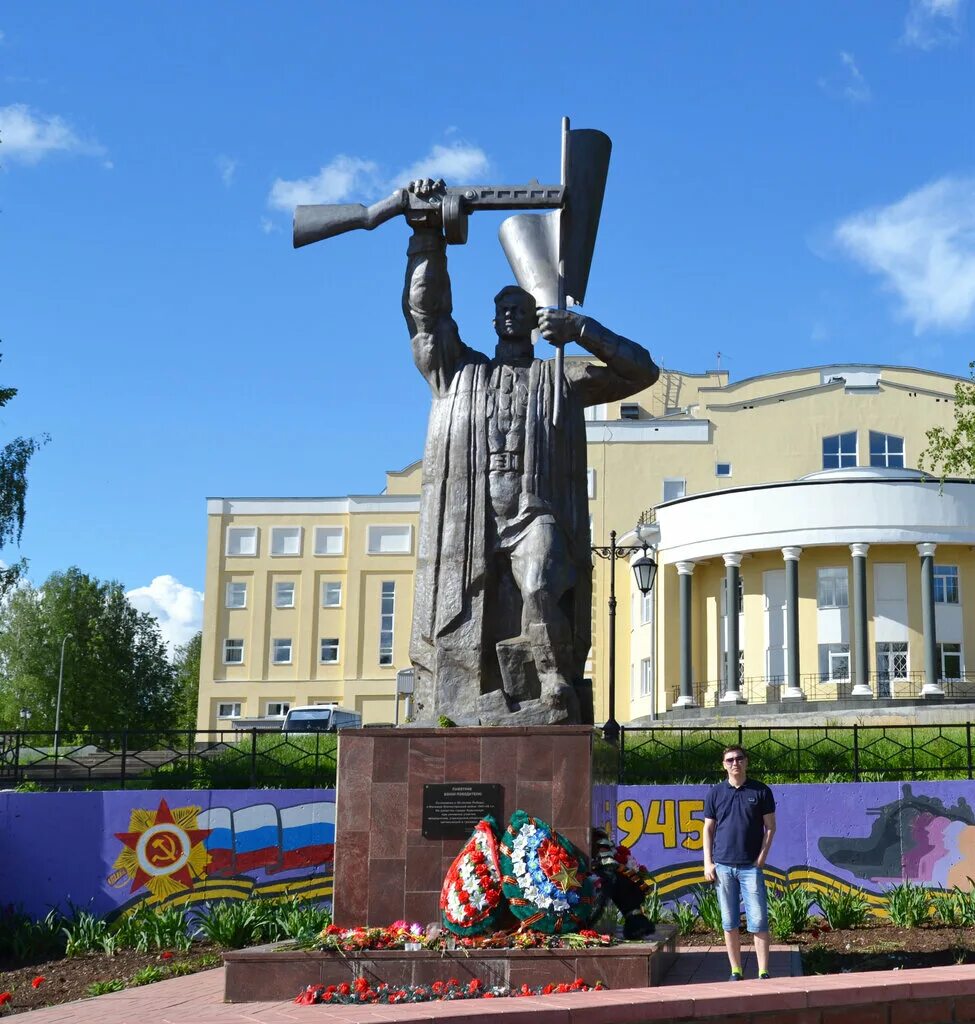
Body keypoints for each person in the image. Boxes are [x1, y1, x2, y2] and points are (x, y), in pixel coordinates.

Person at [403, 178, 659, 726]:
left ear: (536, 315)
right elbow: (426, 315)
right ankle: (463, 706)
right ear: (494, 320)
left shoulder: (561, 377)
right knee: (466, 621)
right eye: (504, 308)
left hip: (531, 510)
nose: (513, 314)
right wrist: (428, 239)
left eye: (522, 306)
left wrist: (583, 327)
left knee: (542, 582)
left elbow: (640, 371)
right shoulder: (457, 371)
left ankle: (553, 683)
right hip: (469, 520)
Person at [703, 745, 777, 980]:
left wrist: (761, 858)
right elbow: (708, 829)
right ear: (724, 764)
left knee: (758, 920)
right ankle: (736, 970)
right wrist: (708, 862)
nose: (735, 763)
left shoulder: (761, 791)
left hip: (750, 868)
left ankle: (763, 971)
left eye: (739, 758)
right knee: (729, 920)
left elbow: (770, 827)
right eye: (730, 760)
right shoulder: (715, 793)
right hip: (723, 866)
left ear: (747, 762)